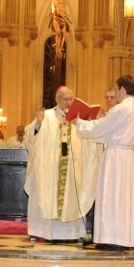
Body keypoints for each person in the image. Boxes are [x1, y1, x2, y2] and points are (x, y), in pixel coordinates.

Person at [74, 75, 134, 251]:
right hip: (130, 157)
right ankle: (125, 238)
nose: (116, 93)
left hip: (116, 157)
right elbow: (111, 133)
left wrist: (79, 123)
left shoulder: (121, 109)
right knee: (125, 198)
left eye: (116, 89)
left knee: (112, 194)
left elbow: (101, 127)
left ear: (122, 89)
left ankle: (113, 238)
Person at [24, 86, 97, 242]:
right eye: (65, 99)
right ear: (57, 100)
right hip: (50, 168)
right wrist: (38, 124)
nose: (69, 102)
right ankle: (48, 233)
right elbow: (30, 136)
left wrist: (90, 124)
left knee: (72, 196)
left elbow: (88, 141)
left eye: (71, 99)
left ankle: (70, 234)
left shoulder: (78, 118)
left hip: (72, 167)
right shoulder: (47, 115)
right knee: (48, 195)